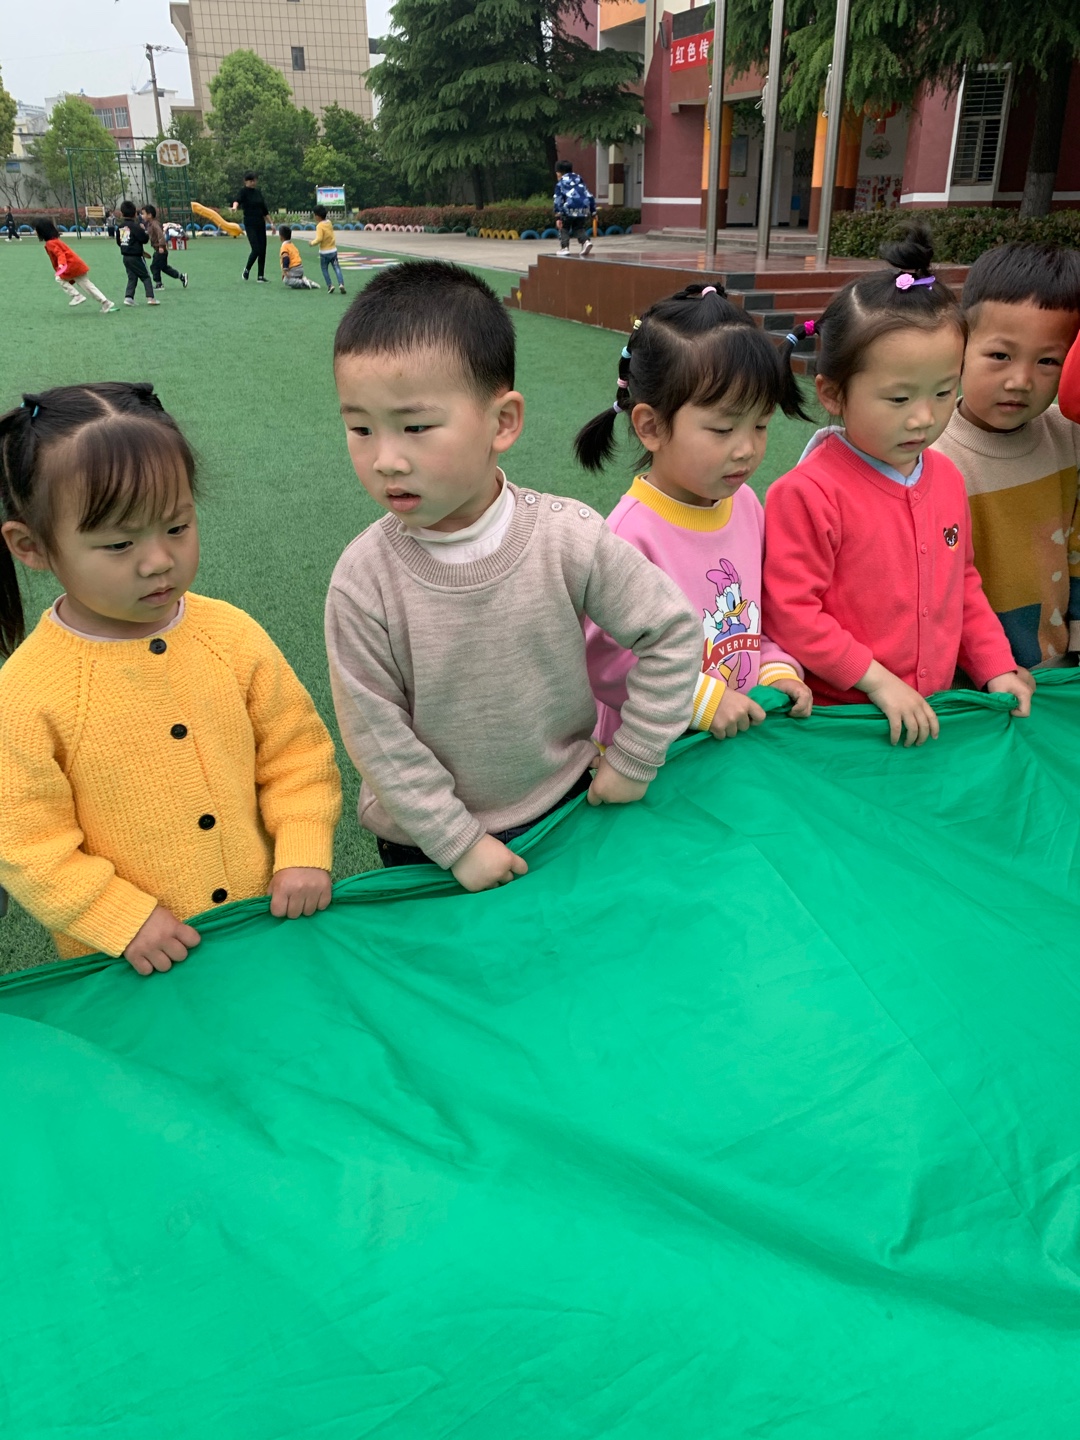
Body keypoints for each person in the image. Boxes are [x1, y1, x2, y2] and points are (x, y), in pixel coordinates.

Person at [325, 260, 700, 890]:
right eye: (360, 428)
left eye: (415, 427)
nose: (385, 458)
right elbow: (377, 734)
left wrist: (636, 755)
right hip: (426, 847)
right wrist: (458, 843)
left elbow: (671, 629)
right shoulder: (362, 581)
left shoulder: (567, 536)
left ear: (503, 422)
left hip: (566, 806)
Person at [0, 382, 342, 973]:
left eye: (177, 527)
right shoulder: (28, 692)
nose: (158, 560)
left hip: (264, 928)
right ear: (31, 546)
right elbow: (27, 841)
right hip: (131, 967)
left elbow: (296, 753)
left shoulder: (230, 634)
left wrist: (303, 845)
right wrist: (120, 916)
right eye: (119, 543)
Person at [762, 225, 1033, 747]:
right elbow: (791, 613)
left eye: (943, 392)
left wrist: (995, 666)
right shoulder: (808, 493)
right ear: (832, 393)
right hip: (840, 724)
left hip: (932, 713)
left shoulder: (946, 477)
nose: (924, 418)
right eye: (899, 399)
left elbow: (962, 585)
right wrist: (878, 681)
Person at [576, 283, 814, 742]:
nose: (746, 449)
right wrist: (699, 699)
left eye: (760, 424)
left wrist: (774, 668)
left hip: (728, 744)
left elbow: (756, 618)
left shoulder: (745, 504)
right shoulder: (628, 535)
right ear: (651, 426)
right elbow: (606, 662)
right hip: (655, 755)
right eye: (723, 429)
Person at [930, 244, 1080, 669]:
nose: (1020, 381)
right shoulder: (925, 454)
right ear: (959, 344)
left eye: (1048, 360)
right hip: (962, 685)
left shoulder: (1070, 437)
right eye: (1000, 355)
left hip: (1055, 673)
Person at [33, 220, 116, 314]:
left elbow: (60, 254)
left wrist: (61, 265)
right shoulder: (55, 241)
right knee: (88, 286)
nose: (35, 232)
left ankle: (77, 296)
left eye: (36, 230)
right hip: (76, 265)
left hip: (70, 266)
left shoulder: (50, 243)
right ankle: (105, 302)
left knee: (59, 279)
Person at [116, 200, 158, 307]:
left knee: (132, 277)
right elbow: (144, 239)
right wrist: (143, 231)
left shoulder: (120, 227)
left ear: (122, 213)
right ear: (135, 213)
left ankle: (128, 297)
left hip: (126, 257)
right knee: (146, 276)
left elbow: (119, 242)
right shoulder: (135, 227)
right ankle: (151, 298)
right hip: (136, 256)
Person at [231, 172, 270, 282]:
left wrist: (271, 223)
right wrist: (234, 207)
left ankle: (260, 276)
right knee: (256, 249)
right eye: (251, 180)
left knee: (262, 249)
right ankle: (247, 269)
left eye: (255, 180)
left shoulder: (258, 193)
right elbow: (237, 200)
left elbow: (264, 210)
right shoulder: (243, 192)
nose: (253, 182)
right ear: (246, 181)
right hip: (250, 223)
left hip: (260, 223)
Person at [140, 204, 189, 291]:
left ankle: (159, 284)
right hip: (158, 250)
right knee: (164, 267)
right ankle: (181, 276)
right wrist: (144, 230)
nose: (142, 216)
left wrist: (161, 246)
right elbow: (151, 234)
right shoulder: (150, 224)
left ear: (149, 215)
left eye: (143, 214)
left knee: (154, 266)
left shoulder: (154, 224)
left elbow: (160, 235)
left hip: (160, 250)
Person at [553, 160, 596, 258]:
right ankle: (586, 242)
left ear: (559, 173)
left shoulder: (560, 183)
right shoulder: (580, 181)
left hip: (568, 208)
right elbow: (589, 196)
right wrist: (593, 212)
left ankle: (565, 248)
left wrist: (558, 216)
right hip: (583, 209)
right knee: (578, 228)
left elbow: (558, 200)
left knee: (564, 227)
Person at [310, 206, 346, 293]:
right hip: (333, 250)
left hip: (324, 252)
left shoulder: (319, 226)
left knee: (324, 269)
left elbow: (319, 239)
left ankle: (330, 285)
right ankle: (341, 284)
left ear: (317, 216)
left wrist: (312, 243)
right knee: (336, 267)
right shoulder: (329, 223)